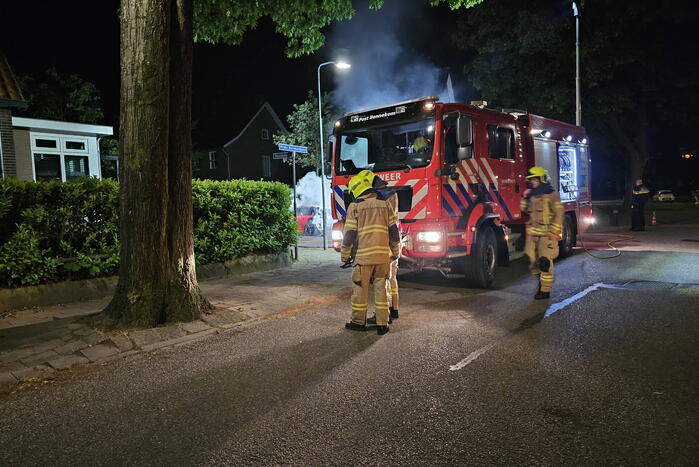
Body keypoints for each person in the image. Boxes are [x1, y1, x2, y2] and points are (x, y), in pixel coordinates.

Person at [341, 173, 401, 335]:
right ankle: (382, 324)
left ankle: (358, 322)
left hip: (363, 259)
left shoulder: (355, 207)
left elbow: (349, 235)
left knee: (360, 291)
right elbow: (394, 232)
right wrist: (396, 252)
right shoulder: (384, 204)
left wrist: (344, 255)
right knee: (382, 290)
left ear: (356, 190)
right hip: (382, 258)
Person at [520, 166, 564, 300]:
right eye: (531, 180)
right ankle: (541, 280)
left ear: (542, 179)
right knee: (531, 261)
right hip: (532, 235)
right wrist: (525, 198)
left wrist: (554, 232)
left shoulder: (552, 195)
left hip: (547, 235)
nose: (532, 182)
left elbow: (559, 214)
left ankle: (545, 290)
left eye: (534, 179)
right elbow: (524, 211)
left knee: (544, 262)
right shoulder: (531, 195)